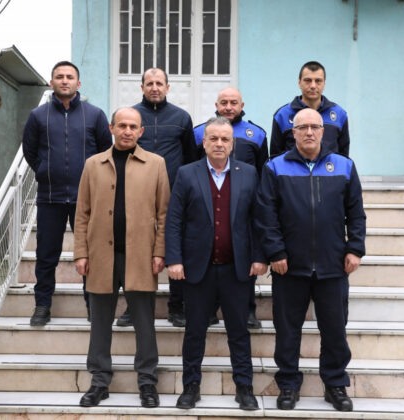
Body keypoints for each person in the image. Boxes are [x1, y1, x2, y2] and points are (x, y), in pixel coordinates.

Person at [256, 108, 366, 412]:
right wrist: (276, 252)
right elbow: (266, 215)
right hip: (289, 266)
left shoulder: (344, 166)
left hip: (333, 266)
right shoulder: (275, 167)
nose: (308, 132)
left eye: (314, 127)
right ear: (293, 132)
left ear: (323, 131)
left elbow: (356, 213)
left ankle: (335, 385)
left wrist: (355, 249)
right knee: (287, 330)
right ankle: (288, 385)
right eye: (302, 127)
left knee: (335, 329)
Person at [166, 117, 267, 410]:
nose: (219, 144)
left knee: (239, 332)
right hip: (198, 269)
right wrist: (174, 259)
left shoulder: (249, 173)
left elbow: (258, 219)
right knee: (194, 331)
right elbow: (174, 220)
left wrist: (260, 256)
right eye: (214, 138)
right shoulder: (186, 173)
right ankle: (191, 387)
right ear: (204, 142)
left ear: (232, 144)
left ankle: (244, 388)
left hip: (237, 269)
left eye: (225, 139)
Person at [73, 107, 170, 408]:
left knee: (144, 322)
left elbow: (164, 214)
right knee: (100, 322)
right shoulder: (93, 164)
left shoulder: (156, 164)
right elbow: (82, 213)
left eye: (133, 126)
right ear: (111, 128)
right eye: (122, 125)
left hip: (140, 256)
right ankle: (99, 381)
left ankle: (147, 381)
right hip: (101, 256)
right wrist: (80, 252)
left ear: (142, 131)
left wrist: (160, 251)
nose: (127, 131)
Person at [22, 61, 112, 327]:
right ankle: (42, 306)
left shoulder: (95, 115)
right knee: (46, 254)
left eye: (69, 77)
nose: (64, 81)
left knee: (90, 253)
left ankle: (93, 305)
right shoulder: (38, 116)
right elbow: (30, 151)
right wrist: (44, 170)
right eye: (59, 77)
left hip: (87, 198)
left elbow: (105, 151)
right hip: (50, 197)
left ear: (78, 83)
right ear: (51, 83)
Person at [116, 67, 197, 328]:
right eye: (149, 83)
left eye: (159, 83)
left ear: (167, 87)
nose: (154, 88)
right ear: (141, 87)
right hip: (135, 196)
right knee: (135, 251)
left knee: (176, 249)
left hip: (174, 195)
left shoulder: (181, 118)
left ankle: (177, 306)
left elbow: (190, 159)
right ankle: (133, 307)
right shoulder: (130, 116)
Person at [193, 87, 268, 329]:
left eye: (233, 102)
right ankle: (209, 310)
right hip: (209, 202)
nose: (228, 107)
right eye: (223, 102)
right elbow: (192, 167)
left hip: (243, 205)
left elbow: (262, 171)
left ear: (241, 105)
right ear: (216, 104)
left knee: (242, 260)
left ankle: (248, 311)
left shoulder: (257, 134)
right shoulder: (199, 132)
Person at [270, 61, 350, 158]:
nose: (313, 86)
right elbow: (275, 157)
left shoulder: (339, 114)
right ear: (299, 83)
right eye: (308, 80)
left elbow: (343, 157)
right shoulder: (282, 115)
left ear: (324, 84)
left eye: (318, 81)